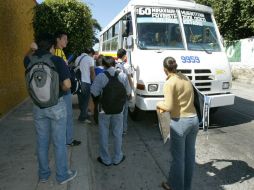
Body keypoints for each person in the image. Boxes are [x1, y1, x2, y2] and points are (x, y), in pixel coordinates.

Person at [23, 33, 77, 184]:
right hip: (56, 105)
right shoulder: (56, 60)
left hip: (37, 106)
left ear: (37, 45)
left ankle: (44, 174)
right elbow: (67, 85)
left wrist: (30, 49)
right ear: (52, 47)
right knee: (59, 142)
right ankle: (62, 175)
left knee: (42, 142)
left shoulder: (29, 59)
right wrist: (56, 88)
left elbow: (26, 58)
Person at [156, 57, 199, 190]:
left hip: (180, 122)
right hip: (194, 120)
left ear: (164, 69)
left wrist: (158, 103)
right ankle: (186, 187)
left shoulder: (170, 83)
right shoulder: (185, 78)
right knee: (190, 156)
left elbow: (167, 106)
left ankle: (174, 186)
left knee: (178, 159)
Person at [91, 56, 131, 166]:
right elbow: (128, 92)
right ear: (114, 64)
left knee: (103, 132)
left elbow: (94, 92)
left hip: (104, 109)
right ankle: (118, 157)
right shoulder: (122, 76)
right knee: (117, 132)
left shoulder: (100, 76)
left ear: (103, 65)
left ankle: (105, 159)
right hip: (118, 109)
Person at [54, 31, 81, 147]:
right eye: (64, 38)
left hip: (60, 87)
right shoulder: (57, 52)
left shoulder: (60, 52)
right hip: (64, 87)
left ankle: (66, 139)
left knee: (64, 115)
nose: (66, 41)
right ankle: (68, 140)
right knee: (68, 115)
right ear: (58, 39)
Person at [75, 47, 96, 123]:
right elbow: (92, 72)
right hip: (86, 82)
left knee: (81, 100)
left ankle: (84, 114)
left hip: (78, 82)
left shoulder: (78, 58)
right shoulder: (90, 59)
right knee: (86, 101)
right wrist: (94, 81)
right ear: (91, 53)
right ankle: (83, 118)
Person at [115, 48, 133, 135]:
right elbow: (129, 80)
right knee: (124, 112)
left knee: (116, 111)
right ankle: (123, 130)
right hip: (124, 92)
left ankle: (116, 129)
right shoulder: (127, 65)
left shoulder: (113, 64)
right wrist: (131, 91)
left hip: (114, 92)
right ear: (125, 56)